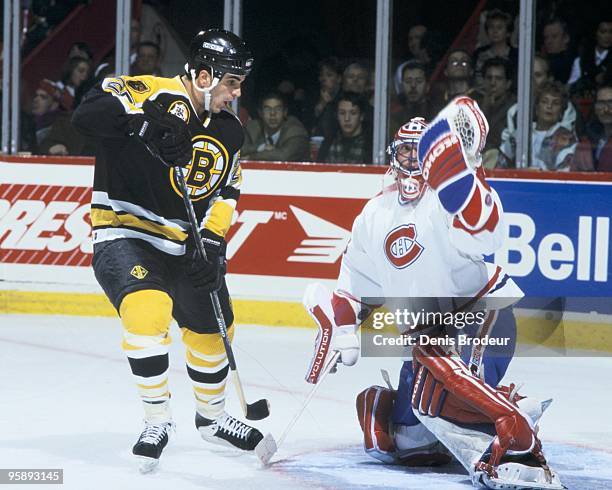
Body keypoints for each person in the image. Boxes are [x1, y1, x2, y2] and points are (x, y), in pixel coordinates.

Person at [301, 101, 564, 489]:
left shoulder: (449, 197)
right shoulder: (373, 215)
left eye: (419, 150)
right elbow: (354, 288)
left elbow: (484, 231)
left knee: (433, 387)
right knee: (412, 445)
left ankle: (514, 433)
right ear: (394, 153)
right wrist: (340, 329)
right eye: (405, 149)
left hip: (479, 316)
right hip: (429, 336)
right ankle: (477, 410)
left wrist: (467, 177)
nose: (411, 158)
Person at [72, 28, 263, 471]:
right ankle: (157, 419)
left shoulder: (231, 132)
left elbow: (228, 190)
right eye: (231, 82)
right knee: (147, 311)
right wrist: (139, 126)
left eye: (239, 84)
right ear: (202, 75)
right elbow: (87, 115)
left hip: (185, 242)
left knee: (215, 330)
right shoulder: (148, 93)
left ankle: (213, 420)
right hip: (123, 232)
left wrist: (213, 242)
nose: (236, 93)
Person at [498, 81, 580, 170]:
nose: (549, 106)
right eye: (544, 102)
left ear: (561, 112)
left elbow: (565, 176)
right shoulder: (520, 134)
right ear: (536, 108)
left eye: (555, 103)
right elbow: (499, 167)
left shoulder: (567, 138)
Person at [241, 92, 309, 161]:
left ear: (285, 112)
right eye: (267, 109)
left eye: (278, 109)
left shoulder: (296, 130)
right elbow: (238, 150)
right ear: (260, 113)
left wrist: (251, 157)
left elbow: (283, 156)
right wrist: (261, 147)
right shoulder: (251, 128)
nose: (272, 113)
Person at [474, 57, 516, 164]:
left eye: (498, 79)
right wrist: (484, 108)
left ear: (508, 83)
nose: (493, 83)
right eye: (489, 78)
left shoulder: (515, 107)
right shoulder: (474, 105)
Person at [318, 92, 372, 164]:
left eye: (353, 113)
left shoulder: (370, 145)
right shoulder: (329, 143)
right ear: (337, 115)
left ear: (361, 116)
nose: (347, 119)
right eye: (342, 113)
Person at [472, 9, 518, 89]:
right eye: (491, 27)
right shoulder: (478, 53)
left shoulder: (516, 55)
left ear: (508, 33)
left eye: (499, 28)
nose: (495, 31)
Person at [389, 60, 434, 137]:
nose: (413, 85)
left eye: (419, 81)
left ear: (427, 86)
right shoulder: (394, 116)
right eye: (408, 81)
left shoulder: (437, 116)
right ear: (401, 86)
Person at [575, 85, 612, 171]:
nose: (606, 109)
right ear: (595, 108)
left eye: (611, 103)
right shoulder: (589, 138)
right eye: (601, 103)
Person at [568, 20, 612, 90]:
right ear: (595, 33)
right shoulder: (580, 60)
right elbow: (571, 87)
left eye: (611, 32)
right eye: (603, 32)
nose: (608, 36)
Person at [541, 18, 575, 84]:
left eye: (554, 36)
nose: (549, 41)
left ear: (566, 38)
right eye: (546, 37)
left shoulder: (573, 64)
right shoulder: (544, 61)